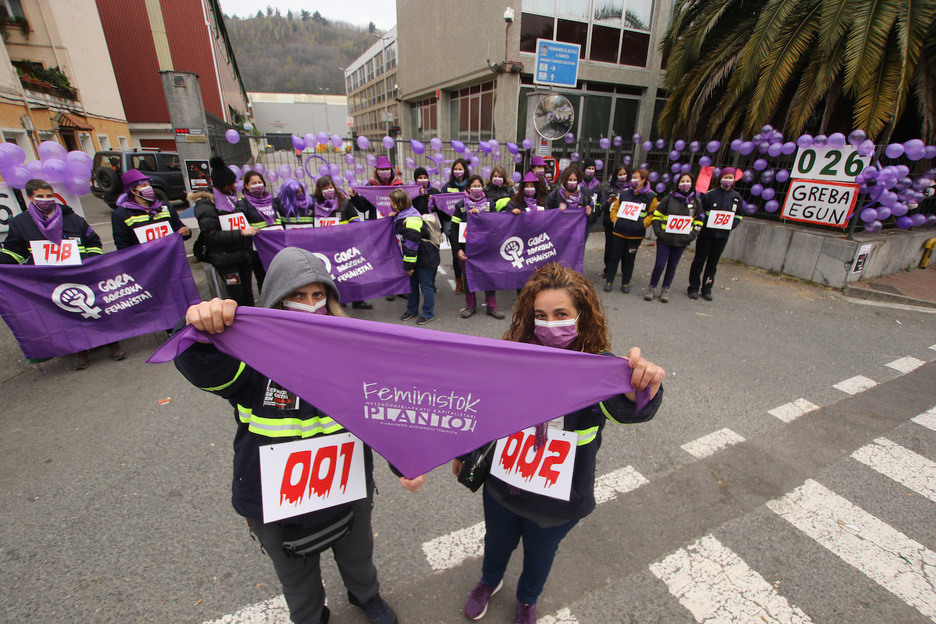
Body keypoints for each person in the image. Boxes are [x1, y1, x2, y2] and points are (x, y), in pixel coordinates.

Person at [176, 247, 421, 624]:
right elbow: (207, 369)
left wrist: (403, 460)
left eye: (318, 295)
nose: (310, 305)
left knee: (358, 554)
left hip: (346, 485)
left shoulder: (353, 357)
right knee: (297, 577)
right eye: (297, 296)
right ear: (276, 298)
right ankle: (310, 617)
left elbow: (380, 415)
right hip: (273, 498)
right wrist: (203, 333)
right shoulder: (251, 358)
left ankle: (365, 596)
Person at [453, 262, 664, 624]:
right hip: (503, 487)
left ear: (581, 315)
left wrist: (643, 389)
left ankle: (527, 601)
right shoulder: (513, 358)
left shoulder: (598, 370)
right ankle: (488, 582)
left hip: (558, 501)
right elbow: (485, 411)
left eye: (561, 313)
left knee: (539, 557)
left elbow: (628, 408)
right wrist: (464, 453)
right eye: (541, 315)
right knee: (496, 544)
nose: (550, 324)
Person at [1, 178, 125, 369]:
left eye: (49, 195)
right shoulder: (21, 223)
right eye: (40, 196)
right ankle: (80, 351)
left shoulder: (73, 218)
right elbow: (14, 251)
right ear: (29, 198)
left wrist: (91, 262)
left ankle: (113, 344)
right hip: (48, 280)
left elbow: (93, 242)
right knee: (67, 316)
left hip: (81, 275)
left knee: (97, 309)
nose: (46, 199)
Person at [191, 156, 259, 307]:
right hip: (226, 259)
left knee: (248, 294)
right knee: (236, 297)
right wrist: (241, 233)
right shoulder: (205, 206)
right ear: (224, 185)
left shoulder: (233, 200)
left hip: (243, 256)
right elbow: (212, 235)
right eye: (233, 183)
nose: (236, 186)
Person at [452, 174, 504, 319]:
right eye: (473, 186)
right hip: (467, 249)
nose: (476, 188)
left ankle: (492, 307)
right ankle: (470, 306)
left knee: (489, 277)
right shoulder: (461, 205)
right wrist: (458, 249)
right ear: (468, 188)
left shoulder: (490, 204)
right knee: (469, 277)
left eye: (479, 185)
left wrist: (480, 216)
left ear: (483, 188)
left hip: (486, 248)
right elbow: (454, 229)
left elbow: (496, 225)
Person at [688, 167, 743, 301]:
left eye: (731, 178)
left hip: (722, 236)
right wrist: (704, 223)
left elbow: (739, 216)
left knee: (713, 264)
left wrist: (731, 225)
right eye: (726, 177)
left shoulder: (736, 198)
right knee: (699, 261)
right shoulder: (710, 195)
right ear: (720, 178)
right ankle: (693, 287)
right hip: (706, 234)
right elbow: (700, 212)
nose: (728, 180)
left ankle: (707, 289)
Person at [645, 173, 702, 302]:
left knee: (672, 266)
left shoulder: (696, 201)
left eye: (688, 181)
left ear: (692, 183)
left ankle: (665, 290)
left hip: (682, 241)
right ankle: (652, 287)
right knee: (659, 265)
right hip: (665, 239)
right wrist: (659, 232)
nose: (685, 183)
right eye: (683, 180)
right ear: (678, 183)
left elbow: (699, 221)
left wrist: (691, 236)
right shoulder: (668, 198)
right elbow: (657, 216)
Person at [389, 188, 439, 325]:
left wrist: (409, 266)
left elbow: (411, 247)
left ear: (397, 204)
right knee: (412, 285)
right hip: (419, 257)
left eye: (391, 202)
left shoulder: (410, 221)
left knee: (426, 286)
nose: (390, 204)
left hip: (425, 258)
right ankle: (412, 310)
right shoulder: (406, 214)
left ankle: (428, 313)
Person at [604, 168, 657, 294]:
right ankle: (609, 281)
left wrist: (642, 225)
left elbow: (652, 214)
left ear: (643, 180)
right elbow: (614, 209)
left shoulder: (651, 197)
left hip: (635, 235)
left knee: (629, 259)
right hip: (619, 233)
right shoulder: (624, 194)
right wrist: (616, 221)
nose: (633, 180)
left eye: (636, 178)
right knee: (614, 257)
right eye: (632, 177)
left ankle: (625, 282)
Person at [111, 169, 190, 249]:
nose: (148, 188)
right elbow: (123, 246)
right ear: (133, 191)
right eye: (144, 185)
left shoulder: (165, 206)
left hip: (168, 258)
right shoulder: (121, 214)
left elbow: (178, 228)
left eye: (149, 185)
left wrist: (186, 232)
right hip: (144, 260)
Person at [439, 158, 470, 293]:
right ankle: (459, 281)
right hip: (453, 224)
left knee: (468, 253)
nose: (458, 171)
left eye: (460, 169)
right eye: (456, 169)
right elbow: (441, 205)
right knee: (456, 253)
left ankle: (469, 280)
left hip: (469, 223)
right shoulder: (447, 187)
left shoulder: (470, 185)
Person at [599, 164, 630, 279]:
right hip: (610, 222)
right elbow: (602, 207)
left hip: (626, 222)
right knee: (610, 247)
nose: (622, 176)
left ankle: (625, 271)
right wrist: (608, 202)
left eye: (624, 174)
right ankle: (608, 270)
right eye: (620, 174)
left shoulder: (632, 189)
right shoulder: (609, 188)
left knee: (625, 248)